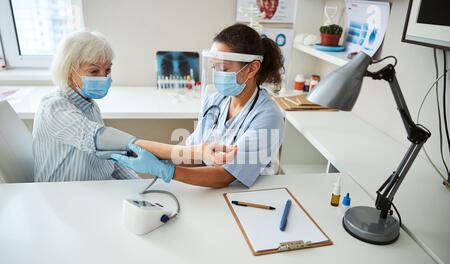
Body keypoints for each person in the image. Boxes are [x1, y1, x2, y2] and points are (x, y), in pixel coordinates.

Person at [32, 31, 235, 182]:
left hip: (96, 188)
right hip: (63, 196)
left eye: (107, 70)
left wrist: (138, 184)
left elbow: (111, 158)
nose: (103, 78)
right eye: (94, 72)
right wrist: (196, 152)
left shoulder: (89, 105)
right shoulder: (54, 108)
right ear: (69, 71)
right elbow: (113, 141)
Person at [112, 24, 285, 188]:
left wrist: (167, 171)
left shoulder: (268, 116)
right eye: (214, 68)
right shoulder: (214, 101)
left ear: (252, 68)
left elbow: (226, 175)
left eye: (223, 69)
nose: (217, 75)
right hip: (210, 191)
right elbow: (192, 154)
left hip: (246, 196)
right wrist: (155, 157)